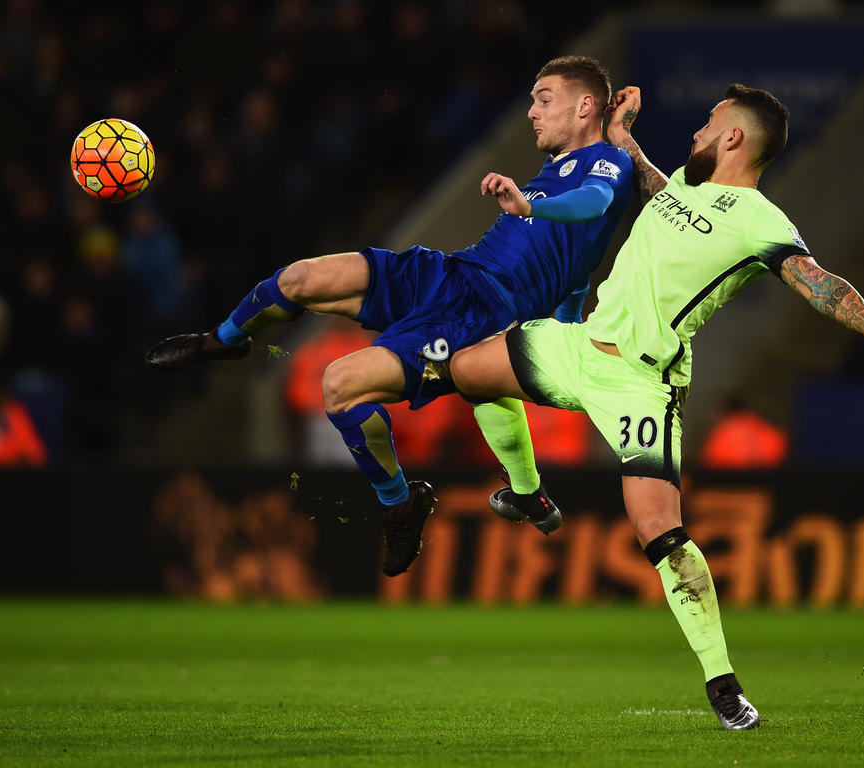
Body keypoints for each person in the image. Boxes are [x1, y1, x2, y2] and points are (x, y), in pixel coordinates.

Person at [449, 83, 864, 729]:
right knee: (466, 368)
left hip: (640, 379)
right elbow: (662, 195)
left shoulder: (763, 222)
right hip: (578, 347)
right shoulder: (683, 190)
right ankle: (528, 494)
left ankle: (723, 685)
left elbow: (815, 280)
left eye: (708, 124)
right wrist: (622, 132)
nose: (696, 133)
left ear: (735, 138)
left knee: (656, 530)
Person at [145, 56, 633, 577]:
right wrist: (565, 317)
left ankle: (399, 503)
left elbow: (592, 201)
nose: (532, 111)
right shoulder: (552, 173)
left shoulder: (606, 163)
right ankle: (223, 341)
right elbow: (575, 273)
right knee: (299, 280)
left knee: (339, 385)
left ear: (585, 105)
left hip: (477, 312)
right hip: (447, 272)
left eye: (544, 98)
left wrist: (530, 207)